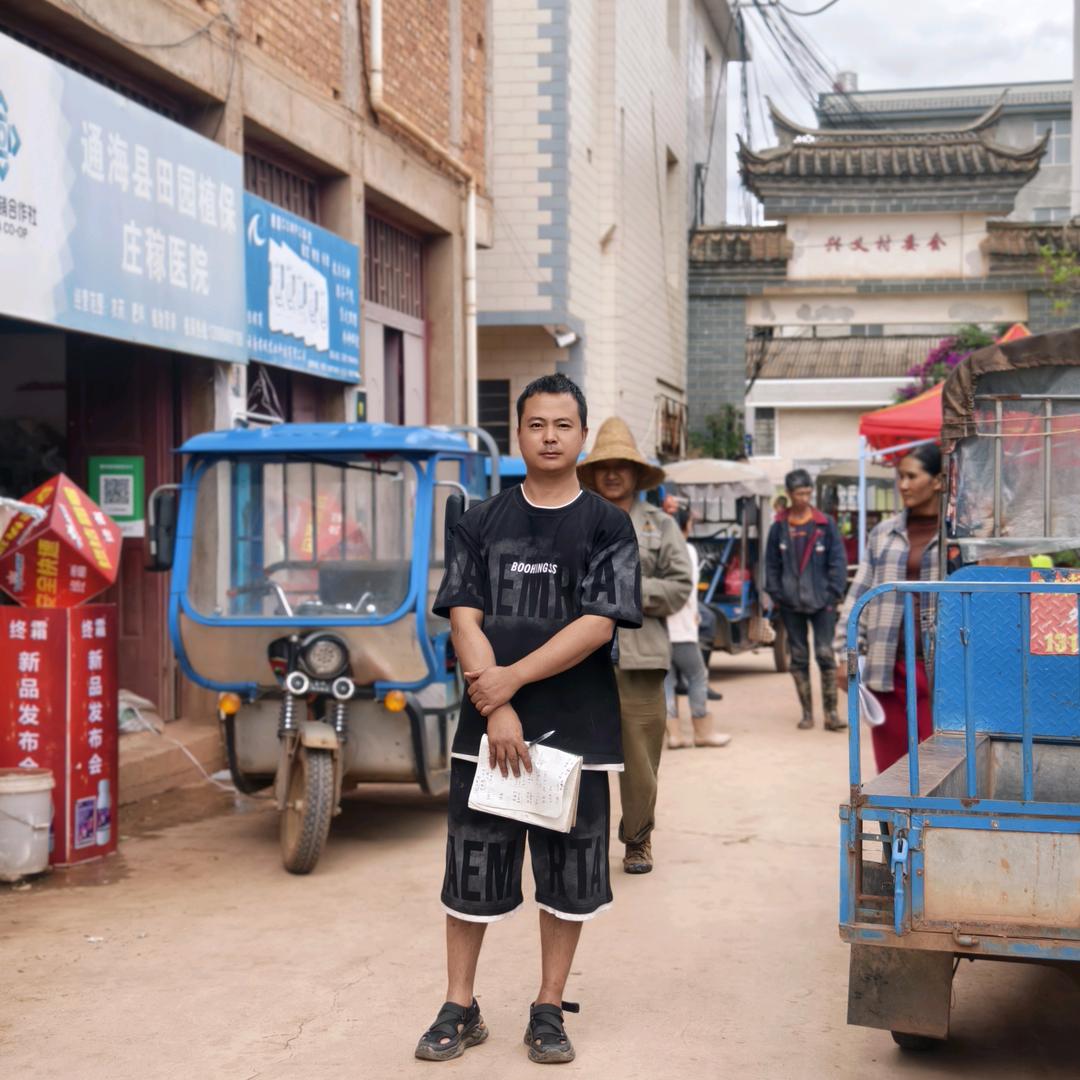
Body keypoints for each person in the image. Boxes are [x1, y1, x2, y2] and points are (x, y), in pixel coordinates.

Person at [418, 374, 642, 1065]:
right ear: (519, 434)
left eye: (563, 425)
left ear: (580, 435)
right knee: (472, 873)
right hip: (489, 737)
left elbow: (600, 625)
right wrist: (500, 710)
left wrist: (508, 682)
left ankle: (548, 1008)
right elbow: (463, 613)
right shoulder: (480, 519)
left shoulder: (607, 524)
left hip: (576, 735)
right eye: (537, 424)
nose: (549, 436)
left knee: (568, 880)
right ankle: (460, 1004)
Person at [578, 419, 692, 875]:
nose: (612, 474)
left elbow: (681, 586)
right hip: (577, 659)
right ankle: (579, 841)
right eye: (604, 465)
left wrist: (623, 590)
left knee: (641, 762)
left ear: (635, 473)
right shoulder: (575, 519)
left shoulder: (659, 524)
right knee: (575, 757)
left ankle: (638, 840)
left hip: (641, 658)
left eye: (621, 466)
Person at [835, 444, 944, 774]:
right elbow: (859, 596)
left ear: (938, 481)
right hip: (887, 670)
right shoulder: (883, 534)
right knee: (892, 773)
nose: (903, 485)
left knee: (937, 772)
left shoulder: (958, 538)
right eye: (900, 477)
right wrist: (844, 651)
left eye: (912, 476)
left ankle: (931, 829)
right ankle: (893, 829)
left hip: (941, 671)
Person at [765, 469, 848, 731]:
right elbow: (771, 565)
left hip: (822, 602)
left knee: (825, 654)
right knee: (798, 658)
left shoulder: (825, 524)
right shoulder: (779, 527)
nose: (804, 497)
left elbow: (838, 561)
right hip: (791, 604)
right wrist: (779, 594)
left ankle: (831, 714)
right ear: (789, 495)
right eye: (798, 493)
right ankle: (807, 714)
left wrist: (833, 593)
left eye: (807, 492)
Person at [663, 507, 731, 750]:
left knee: (667, 679)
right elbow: (688, 591)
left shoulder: (659, 548)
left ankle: (673, 735)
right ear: (685, 525)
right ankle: (702, 731)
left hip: (659, 628)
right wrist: (694, 616)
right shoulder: (686, 549)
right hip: (681, 626)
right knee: (697, 675)